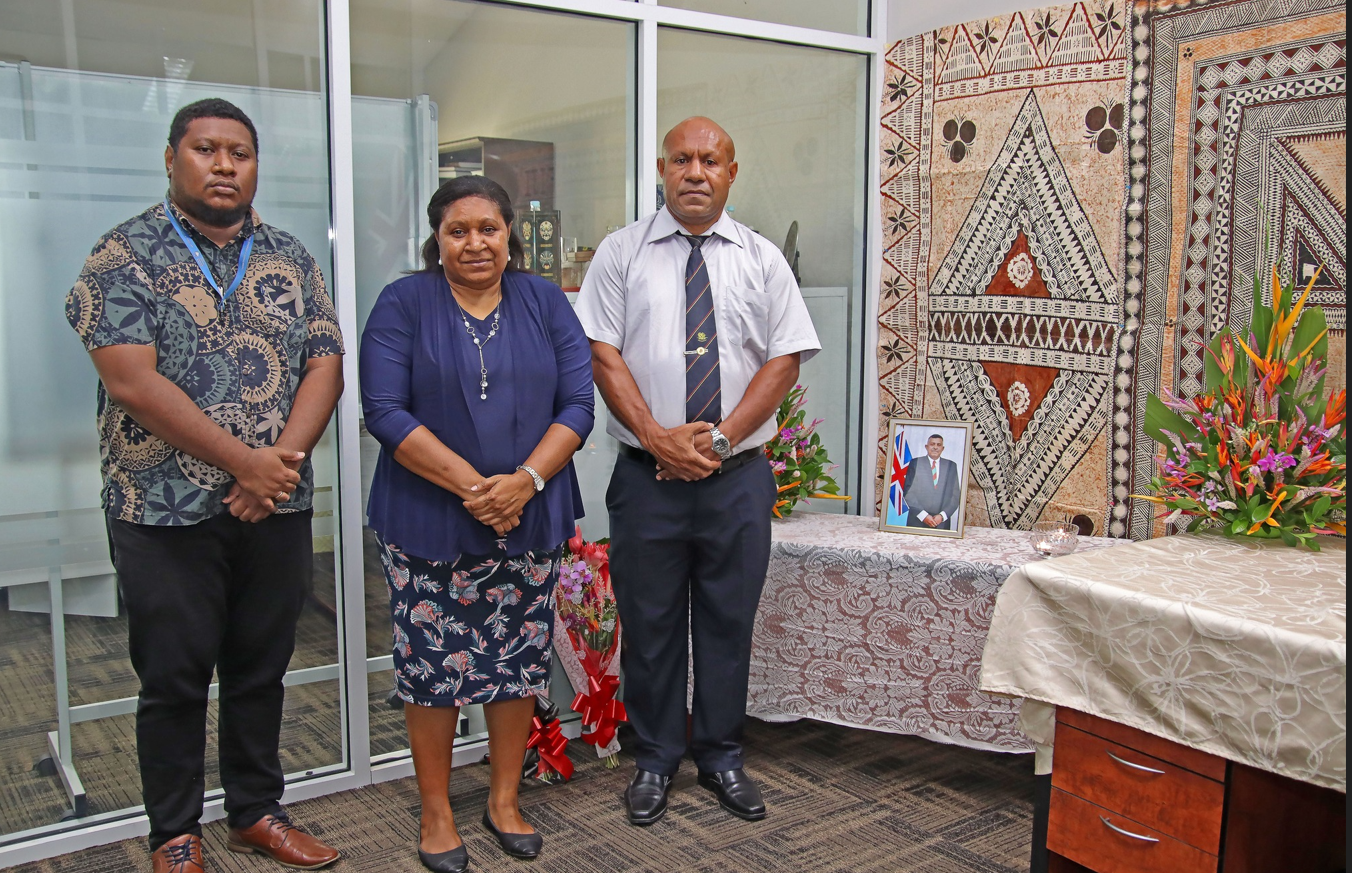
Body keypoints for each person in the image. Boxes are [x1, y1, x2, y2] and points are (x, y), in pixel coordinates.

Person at [64, 98, 344, 873]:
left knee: (261, 668)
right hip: (160, 509)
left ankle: (255, 809)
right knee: (174, 677)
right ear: (170, 158)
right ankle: (174, 833)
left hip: (275, 506)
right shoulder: (122, 254)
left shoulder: (290, 256)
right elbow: (131, 382)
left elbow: (325, 363)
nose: (225, 165)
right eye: (207, 149)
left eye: (240, 152)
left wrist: (276, 463)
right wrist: (242, 461)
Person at [576, 116, 820, 827]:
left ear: (731, 173)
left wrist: (719, 439)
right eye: (681, 159)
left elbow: (785, 357)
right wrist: (656, 438)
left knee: (726, 622)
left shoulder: (762, 259)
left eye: (709, 160)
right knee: (648, 624)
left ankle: (719, 754)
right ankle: (653, 757)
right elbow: (602, 354)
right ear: (661, 168)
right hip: (645, 482)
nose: (694, 172)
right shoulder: (621, 254)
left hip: (736, 479)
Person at [360, 176, 594, 873]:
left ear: (509, 232)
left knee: (517, 662)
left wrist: (523, 483)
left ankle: (502, 798)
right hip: (428, 517)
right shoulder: (404, 302)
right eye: (458, 230)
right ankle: (436, 810)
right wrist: (475, 489)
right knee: (432, 666)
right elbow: (384, 411)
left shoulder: (546, 300)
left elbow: (578, 405)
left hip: (531, 512)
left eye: (487, 228)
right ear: (437, 238)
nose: (474, 242)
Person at [902, 434, 961, 530]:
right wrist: (924, 516)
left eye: (938, 445)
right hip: (917, 521)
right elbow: (908, 493)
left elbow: (955, 496)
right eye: (932, 444)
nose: (935, 447)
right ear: (926, 447)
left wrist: (942, 516)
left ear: (943, 448)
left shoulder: (951, 466)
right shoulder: (915, 463)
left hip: (941, 524)